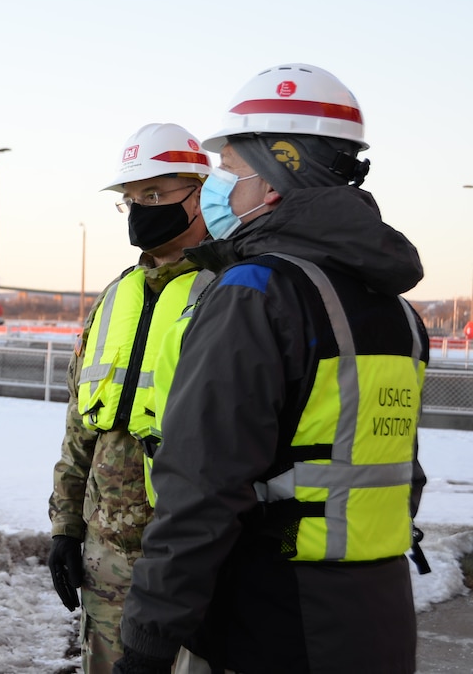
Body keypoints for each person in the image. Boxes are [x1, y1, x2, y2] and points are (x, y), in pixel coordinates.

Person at [115, 63, 430, 674]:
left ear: (277, 177)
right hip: (377, 615)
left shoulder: (256, 292)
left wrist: (149, 639)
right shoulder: (395, 308)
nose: (218, 187)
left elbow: (202, 488)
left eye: (230, 168)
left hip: (273, 619)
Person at [48, 123, 213, 671]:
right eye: (131, 200)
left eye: (155, 195)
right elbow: (80, 429)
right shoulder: (115, 297)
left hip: (193, 560)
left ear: (200, 194)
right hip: (107, 559)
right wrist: (66, 529)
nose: (141, 209)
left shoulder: (231, 292)